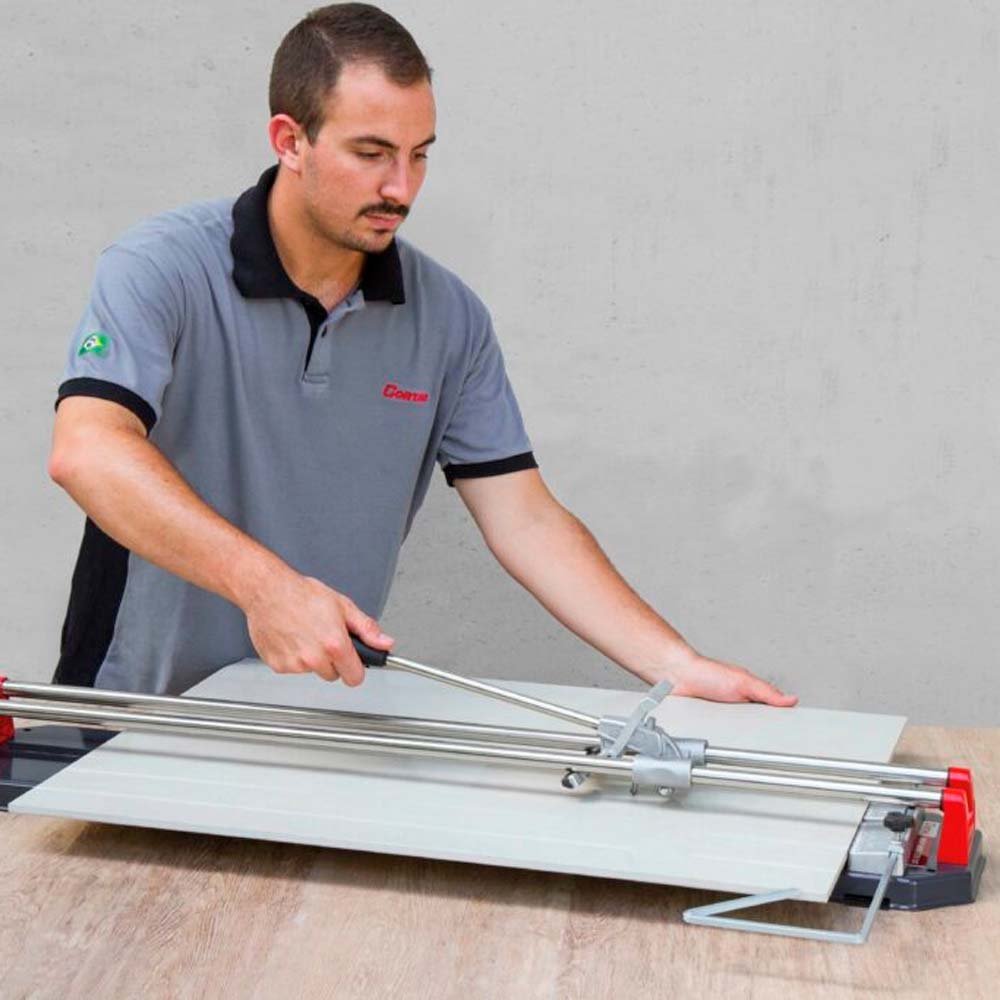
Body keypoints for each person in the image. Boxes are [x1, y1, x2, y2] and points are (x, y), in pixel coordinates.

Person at [48, 3, 796, 707]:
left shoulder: (449, 319)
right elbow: (88, 451)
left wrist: (677, 666)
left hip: (319, 715)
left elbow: (525, 519)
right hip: (134, 711)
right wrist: (265, 587)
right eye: (371, 153)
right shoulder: (161, 268)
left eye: (419, 155)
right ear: (289, 141)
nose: (400, 188)